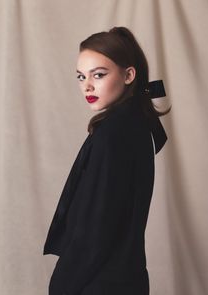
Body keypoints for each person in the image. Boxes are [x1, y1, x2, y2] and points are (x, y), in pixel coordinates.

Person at [43, 26, 171, 295]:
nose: (87, 85)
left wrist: (60, 287)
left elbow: (96, 225)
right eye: (81, 77)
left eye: (98, 75)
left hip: (100, 283)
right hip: (128, 278)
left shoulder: (113, 134)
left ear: (128, 75)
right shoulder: (138, 124)